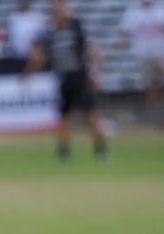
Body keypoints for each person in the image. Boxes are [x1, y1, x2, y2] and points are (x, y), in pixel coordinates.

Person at [29, 0, 107, 162]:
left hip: (80, 76)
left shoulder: (76, 27)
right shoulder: (50, 33)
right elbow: (41, 56)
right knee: (65, 117)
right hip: (63, 79)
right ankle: (64, 151)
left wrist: (96, 73)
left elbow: (91, 51)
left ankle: (101, 149)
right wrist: (31, 72)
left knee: (91, 114)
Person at [120, 0, 164, 115]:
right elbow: (125, 33)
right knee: (147, 81)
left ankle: (162, 106)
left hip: (159, 52)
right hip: (141, 53)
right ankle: (151, 108)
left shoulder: (162, 11)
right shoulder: (133, 12)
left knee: (161, 79)